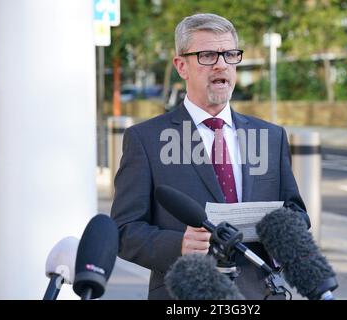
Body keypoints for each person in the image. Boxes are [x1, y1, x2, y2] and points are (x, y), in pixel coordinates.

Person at [111, 13, 310, 300]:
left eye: (230, 54)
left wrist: (281, 233)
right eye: (207, 55)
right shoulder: (146, 140)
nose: (221, 64)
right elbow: (123, 231)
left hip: (257, 293)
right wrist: (178, 245)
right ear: (181, 66)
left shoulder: (271, 136)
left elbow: (297, 213)